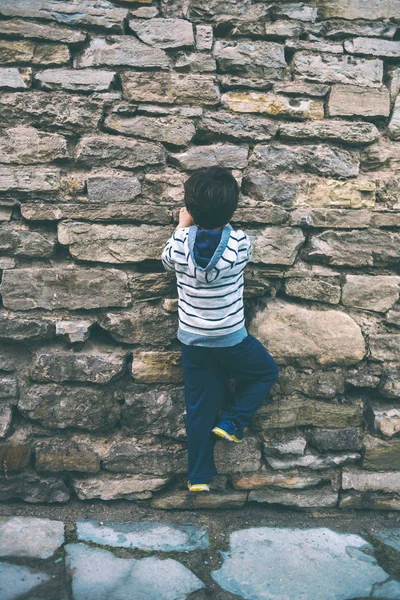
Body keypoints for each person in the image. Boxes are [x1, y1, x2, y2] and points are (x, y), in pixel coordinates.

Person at [161, 166, 280, 493]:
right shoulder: (240, 243)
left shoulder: (180, 242)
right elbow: (232, 251)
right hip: (231, 339)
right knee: (266, 372)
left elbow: (167, 259)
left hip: (194, 343)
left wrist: (182, 227)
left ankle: (198, 477)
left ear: (191, 208)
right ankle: (232, 422)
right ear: (231, 210)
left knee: (199, 408)